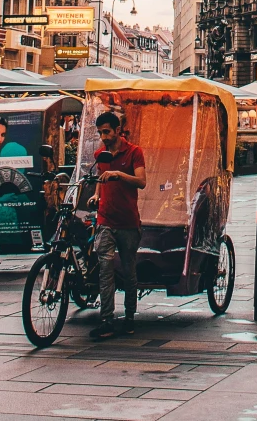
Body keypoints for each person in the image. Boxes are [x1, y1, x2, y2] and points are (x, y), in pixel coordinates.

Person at [90, 110, 146, 340]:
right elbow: (100, 180)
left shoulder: (134, 152)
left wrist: (119, 174)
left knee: (128, 271)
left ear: (117, 131)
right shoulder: (100, 155)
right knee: (105, 270)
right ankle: (106, 320)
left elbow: (141, 181)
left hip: (128, 222)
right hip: (105, 220)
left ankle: (130, 317)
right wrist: (95, 195)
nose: (103, 137)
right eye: (100, 132)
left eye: (107, 132)